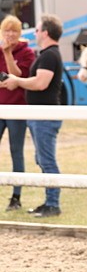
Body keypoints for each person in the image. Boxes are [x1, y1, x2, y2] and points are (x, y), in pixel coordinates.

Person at [0, 14, 65, 217]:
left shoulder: (47, 55)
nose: (34, 33)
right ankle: (50, 202)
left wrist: (16, 81)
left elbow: (39, 83)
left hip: (39, 113)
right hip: (36, 114)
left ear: (45, 32)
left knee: (45, 160)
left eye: (37, 30)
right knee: (42, 159)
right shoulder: (47, 54)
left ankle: (52, 203)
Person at [0, 15, 36, 211]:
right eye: (7, 30)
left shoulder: (27, 53)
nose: (10, 34)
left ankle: (16, 196)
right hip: (0, 106)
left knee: (16, 151)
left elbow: (19, 76)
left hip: (17, 108)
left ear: (20, 33)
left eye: (14, 30)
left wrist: (7, 54)